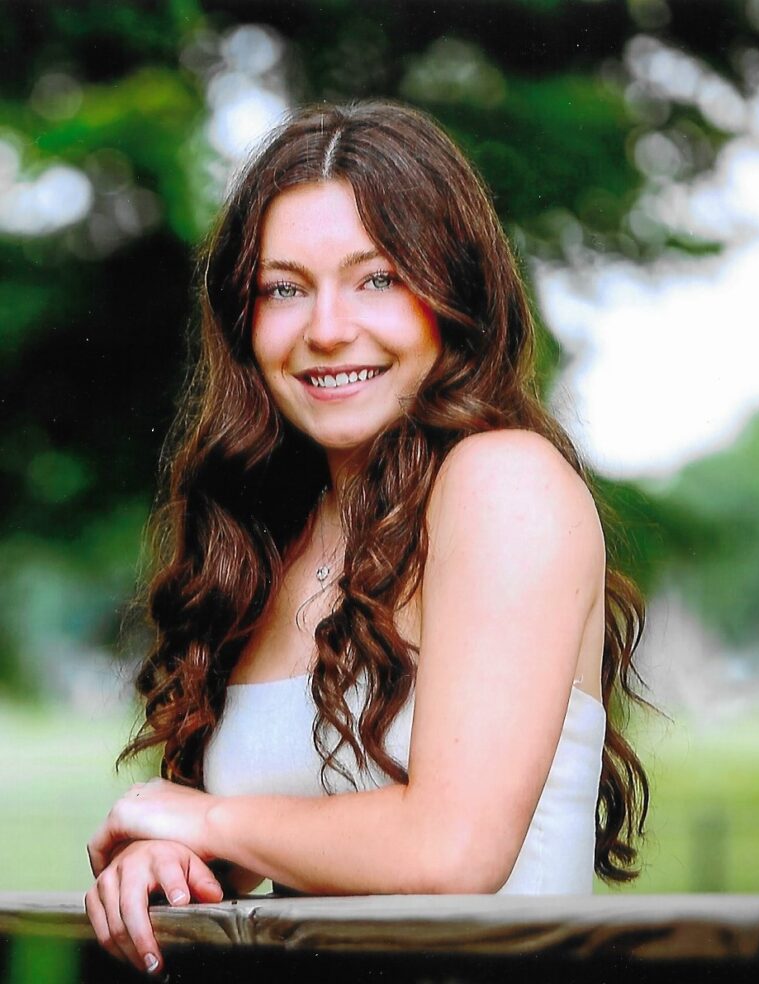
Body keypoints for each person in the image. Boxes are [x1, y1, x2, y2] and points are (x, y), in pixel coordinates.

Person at [85, 100, 649, 976]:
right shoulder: (271, 542)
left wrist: (203, 819)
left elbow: (454, 849)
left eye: (377, 277)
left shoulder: (504, 482)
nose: (326, 328)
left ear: (451, 294)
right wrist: (178, 863)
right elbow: (281, 834)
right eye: (284, 288)